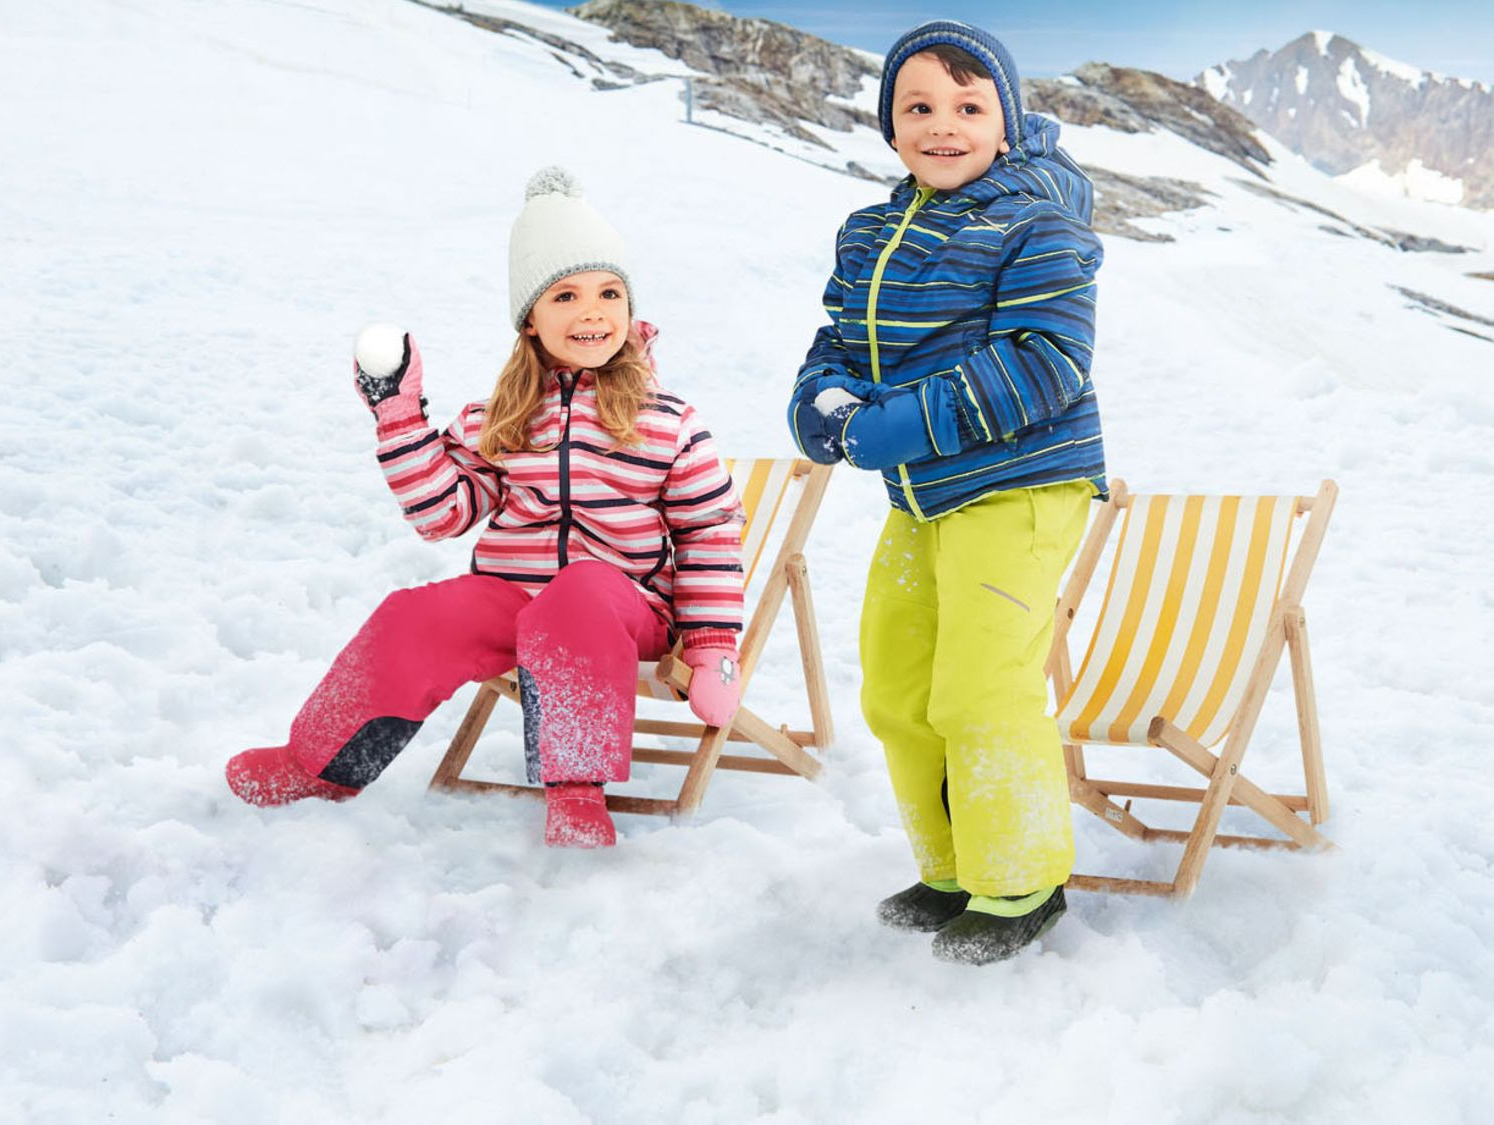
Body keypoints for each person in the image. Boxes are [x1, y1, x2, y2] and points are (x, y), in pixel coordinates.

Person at [227, 167, 746, 848]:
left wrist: (711, 648)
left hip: (623, 610)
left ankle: (577, 790)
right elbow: (442, 512)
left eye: (609, 293)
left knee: (580, 593)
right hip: (513, 599)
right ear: (530, 319)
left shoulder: (667, 421)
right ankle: (319, 765)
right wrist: (399, 416)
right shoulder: (500, 417)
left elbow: (708, 534)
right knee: (415, 616)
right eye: (566, 295)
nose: (593, 311)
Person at [787, 21, 1107, 963]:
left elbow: (1046, 362)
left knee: (982, 688)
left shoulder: (1038, 222)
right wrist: (819, 400)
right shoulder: (871, 232)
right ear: (890, 127)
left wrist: (892, 426)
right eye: (918, 106)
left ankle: (1021, 881)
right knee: (896, 688)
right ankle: (954, 868)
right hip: (925, 496)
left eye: (969, 107)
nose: (943, 125)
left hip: (1021, 485)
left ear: (1006, 125)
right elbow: (839, 341)